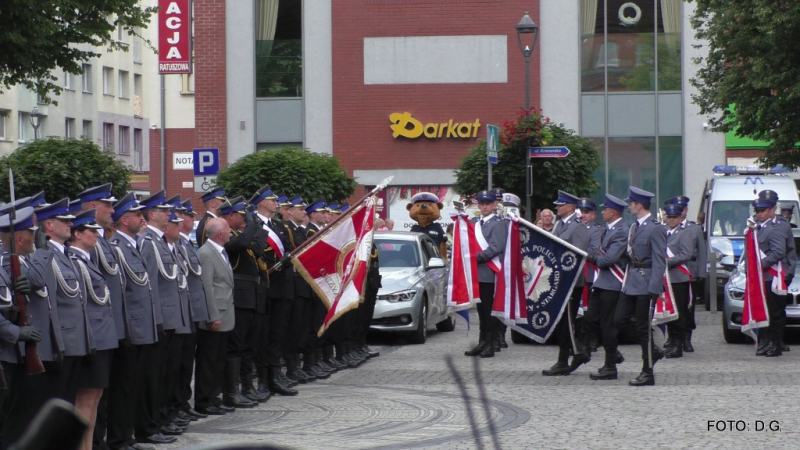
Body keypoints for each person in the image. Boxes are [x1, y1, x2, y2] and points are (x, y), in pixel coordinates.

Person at [110, 192, 174, 447]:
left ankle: (137, 431)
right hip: (133, 327)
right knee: (126, 386)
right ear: (125, 220)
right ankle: (123, 436)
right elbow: (121, 293)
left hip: (145, 325)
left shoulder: (134, 245)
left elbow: (147, 289)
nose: (142, 218)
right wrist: (124, 329)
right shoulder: (118, 247)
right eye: (137, 214)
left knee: (142, 381)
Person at [137, 190, 188, 438]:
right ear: (151, 214)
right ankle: (155, 420)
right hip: (161, 318)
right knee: (157, 375)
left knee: (168, 373)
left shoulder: (163, 243)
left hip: (171, 317)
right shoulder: (149, 243)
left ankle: (164, 416)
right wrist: (156, 318)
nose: (169, 214)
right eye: (164, 211)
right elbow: (150, 285)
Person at [68, 209, 119, 450]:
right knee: (85, 399)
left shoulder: (86, 261)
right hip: (91, 339)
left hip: (102, 337)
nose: (97, 235)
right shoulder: (74, 262)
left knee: (95, 397)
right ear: (77, 234)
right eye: (92, 231)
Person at [611, 187, 667, 386]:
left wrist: (655, 288)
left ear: (639, 205)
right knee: (619, 319)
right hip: (632, 280)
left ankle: (647, 371)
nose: (629, 206)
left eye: (631, 204)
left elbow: (660, 260)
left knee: (643, 328)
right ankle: (654, 350)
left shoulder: (655, 228)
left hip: (646, 282)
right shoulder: (634, 226)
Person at [219, 196, 264, 406]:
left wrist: (257, 226)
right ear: (230, 216)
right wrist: (253, 223)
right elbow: (244, 243)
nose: (246, 219)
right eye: (242, 215)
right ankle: (231, 391)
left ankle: (247, 386)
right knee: (236, 345)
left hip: (251, 293)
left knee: (249, 343)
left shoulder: (241, 234)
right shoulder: (228, 237)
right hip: (239, 295)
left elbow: (257, 248)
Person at [542, 191, 591, 376]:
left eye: (560, 205)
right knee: (562, 322)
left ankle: (565, 359)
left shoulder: (577, 227)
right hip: (559, 280)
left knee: (566, 323)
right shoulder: (560, 225)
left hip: (571, 281)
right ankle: (577, 353)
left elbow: (579, 255)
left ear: (570, 207)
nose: (557, 208)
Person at [195, 218, 236, 416]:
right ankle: (203, 400)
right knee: (208, 361)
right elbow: (207, 286)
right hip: (215, 316)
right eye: (228, 229)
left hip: (226, 313)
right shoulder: (206, 253)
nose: (231, 232)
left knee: (218, 360)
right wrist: (213, 315)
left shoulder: (220, 251)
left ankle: (214, 396)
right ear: (220, 233)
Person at [585, 195, 629, 381]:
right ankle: (614, 354)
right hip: (602, 282)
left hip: (613, 283)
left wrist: (594, 259)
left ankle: (610, 365)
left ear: (613, 212)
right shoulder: (608, 229)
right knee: (590, 319)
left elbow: (609, 259)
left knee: (607, 325)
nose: (602, 212)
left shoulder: (621, 231)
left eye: (605, 210)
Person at [464, 190, 507, 358]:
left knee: (489, 310)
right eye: (482, 204)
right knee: (481, 310)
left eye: (488, 204)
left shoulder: (498, 223)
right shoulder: (475, 223)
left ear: (494, 205)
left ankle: (490, 343)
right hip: (477, 274)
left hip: (490, 272)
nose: (484, 207)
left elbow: (496, 247)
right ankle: (482, 342)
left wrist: (475, 258)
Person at [664, 195, 707, 353]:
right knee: (674, 307)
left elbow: (701, 252)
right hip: (672, 273)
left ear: (686, 210)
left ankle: (686, 338)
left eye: (682, 209)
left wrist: (702, 272)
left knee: (688, 308)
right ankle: (674, 337)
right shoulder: (666, 229)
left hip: (690, 272)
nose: (679, 213)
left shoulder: (693, 228)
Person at [752, 190, 792, 357]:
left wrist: (758, 265)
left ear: (773, 209)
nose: (759, 214)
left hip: (774, 275)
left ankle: (775, 343)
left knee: (775, 311)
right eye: (758, 211)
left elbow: (778, 253)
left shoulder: (778, 226)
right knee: (762, 309)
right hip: (762, 276)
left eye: (763, 211)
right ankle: (765, 341)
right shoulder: (755, 225)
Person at [662, 204, 693, 359]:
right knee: (669, 311)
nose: (671, 220)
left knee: (679, 312)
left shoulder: (684, 233)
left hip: (678, 277)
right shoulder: (664, 232)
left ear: (680, 218)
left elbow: (685, 254)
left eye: (674, 217)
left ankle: (678, 344)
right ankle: (672, 341)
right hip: (666, 279)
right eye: (669, 217)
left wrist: (666, 263)